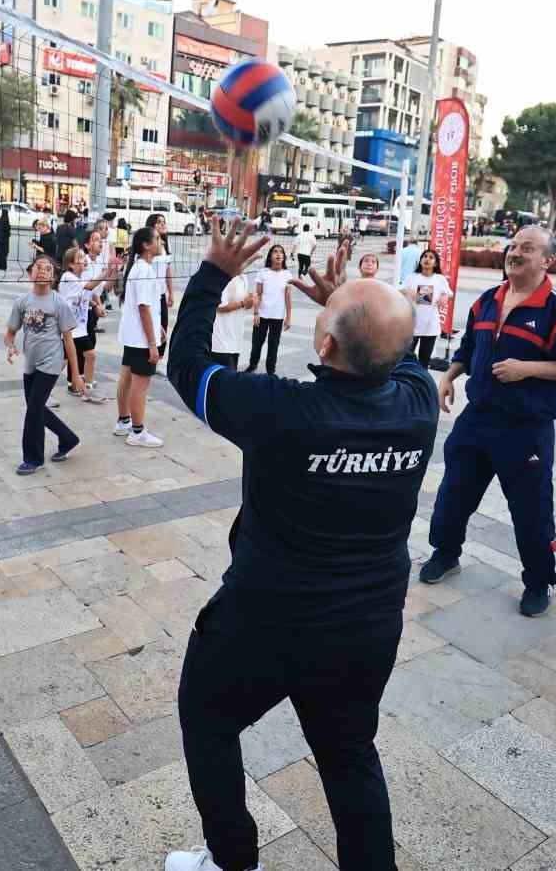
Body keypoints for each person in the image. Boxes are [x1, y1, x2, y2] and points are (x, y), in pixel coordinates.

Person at [162, 227, 436, 871]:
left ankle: (232, 859)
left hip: (265, 620)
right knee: (348, 753)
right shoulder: (420, 406)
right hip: (366, 623)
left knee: (207, 721)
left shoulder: (280, 411)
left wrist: (210, 276)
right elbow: (393, 353)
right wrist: (344, 304)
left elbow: (188, 367)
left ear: (325, 343)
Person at [421, 226, 556, 617]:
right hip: (477, 419)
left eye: (527, 248)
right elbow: (469, 347)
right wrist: (449, 376)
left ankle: (538, 582)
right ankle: (445, 552)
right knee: (454, 492)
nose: (515, 253)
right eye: (514, 246)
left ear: (547, 260)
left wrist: (527, 369)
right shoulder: (487, 300)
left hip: (525, 428)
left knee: (531, 509)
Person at [7, 254, 86, 475]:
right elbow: (10, 333)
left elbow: (69, 341)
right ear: (31, 273)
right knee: (37, 408)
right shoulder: (22, 302)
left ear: (53, 277)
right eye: (39, 267)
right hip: (30, 363)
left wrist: (76, 374)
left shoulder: (58, 303)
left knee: (33, 411)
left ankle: (33, 459)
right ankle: (68, 438)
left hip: (51, 363)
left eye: (48, 269)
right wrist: (10, 346)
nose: (42, 271)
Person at [114, 227, 165, 448]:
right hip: (141, 339)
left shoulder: (138, 267)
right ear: (146, 245)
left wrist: (158, 328)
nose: (161, 241)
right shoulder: (143, 270)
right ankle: (137, 431)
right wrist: (153, 344)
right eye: (157, 239)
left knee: (126, 376)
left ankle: (123, 421)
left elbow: (146, 308)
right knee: (140, 385)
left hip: (133, 335)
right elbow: (144, 308)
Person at [59, 245, 109, 404]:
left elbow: (93, 293)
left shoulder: (81, 278)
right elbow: (89, 286)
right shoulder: (68, 277)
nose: (84, 260)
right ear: (71, 264)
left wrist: (97, 306)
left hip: (79, 329)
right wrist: (105, 273)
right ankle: (41, 391)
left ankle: (87, 388)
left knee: (90, 355)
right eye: (80, 258)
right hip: (68, 330)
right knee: (60, 364)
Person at [245, 245, 293, 375]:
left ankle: (271, 372)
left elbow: (288, 297)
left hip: (278, 317)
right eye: (275, 252)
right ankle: (252, 365)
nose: (278, 254)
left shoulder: (287, 274)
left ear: (284, 257)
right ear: (270, 256)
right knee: (257, 343)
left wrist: (288, 317)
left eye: (281, 252)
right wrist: (255, 313)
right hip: (262, 315)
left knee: (273, 346)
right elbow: (258, 294)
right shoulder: (263, 272)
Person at [400, 247, 451, 367]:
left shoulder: (440, 279)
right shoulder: (412, 277)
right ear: (420, 260)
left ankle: (421, 383)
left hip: (430, 326)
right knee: (405, 358)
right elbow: (400, 291)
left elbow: (449, 294)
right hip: (411, 324)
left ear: (436, 263)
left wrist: (445, 296)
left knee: (424, 360)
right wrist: (406, 292)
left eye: (431, 257)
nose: (427, 259)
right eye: (425, 256)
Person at [210, 266, 254, 369]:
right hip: (221, 341)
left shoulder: (243, 277)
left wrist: (250, 301)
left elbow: (244, 304)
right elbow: (220, 307)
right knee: (225, 378)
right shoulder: (223, 278)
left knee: (231, 375)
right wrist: (243, 303)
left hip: (236, 338)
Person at [146, 213, 176, 349]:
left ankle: (157, 361)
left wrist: (171, 293)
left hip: (162, 294)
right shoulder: (149, 247)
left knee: (163, 327)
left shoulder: (165, 246)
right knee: (151, 326)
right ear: (152, 226)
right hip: (150, 294)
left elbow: (168, 270)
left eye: (164, 221)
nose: (163, 224)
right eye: (159, 222)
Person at [0, 203, 12, 273]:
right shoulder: (6, 221)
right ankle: (3, 266)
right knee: (5, 253)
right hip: (4, 240)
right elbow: (7, 232)